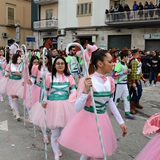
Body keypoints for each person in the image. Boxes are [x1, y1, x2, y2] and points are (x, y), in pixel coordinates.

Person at [59, 49, 127, 160]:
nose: (113, 64)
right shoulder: (88, 80)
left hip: (102, 119)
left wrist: (121, 121)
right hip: (89, 120)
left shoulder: (109, 81)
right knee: (96, 153)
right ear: (100, 64)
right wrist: (86, 91)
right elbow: (77, 108)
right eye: (110, 61)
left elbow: (110, 102)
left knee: (93, 152)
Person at [29, 56, 76, 160]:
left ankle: (57, 146)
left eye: (62, 63)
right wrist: (44, 101)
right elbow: (45, 92)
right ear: (54, 65)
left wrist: (75, 100)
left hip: (66, 106)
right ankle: (56, 154)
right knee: (55, 132)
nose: (60, 65)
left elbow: (73, 91)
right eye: (58, 63)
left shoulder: (70, 77)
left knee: (63, 131)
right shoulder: (49, 77)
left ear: (65, 65)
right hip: (52, 106)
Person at [113, 51, 135, 119]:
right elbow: (114, 75)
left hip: (124, 84)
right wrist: (123, 72)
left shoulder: (125, 65)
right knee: (116, 99)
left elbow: (124, 74)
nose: (128, 58)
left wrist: (128, 72)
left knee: (127, 98)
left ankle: (127, 113)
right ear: (124, 57)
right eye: (127, 56)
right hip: (119, 84)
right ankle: (113, 110)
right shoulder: (119, 64)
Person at [128, 49, 146, 114]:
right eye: (139, 53)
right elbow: (133, 72)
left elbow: (139, 71)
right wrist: (133, 82)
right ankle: (131, 106)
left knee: (137, 92)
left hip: (137, 79)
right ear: (136, 54)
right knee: (138, 92)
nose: (140, 54)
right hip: (134, 80)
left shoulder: (137, 60)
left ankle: (135, 103)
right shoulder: (134, 61)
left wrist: (142, 78)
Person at [6, 53, 23, 121]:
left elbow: (25, 74)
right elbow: (5, 73)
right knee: (14, 98)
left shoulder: (22, 65)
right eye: (18, 58)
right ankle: (17, 113)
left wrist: (20, 74)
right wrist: (8, 74)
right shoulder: (10, 65)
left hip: (20, 82)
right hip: (12, 82)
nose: (19, 60)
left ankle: (15, 110)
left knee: (19, 97)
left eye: (20, 58)